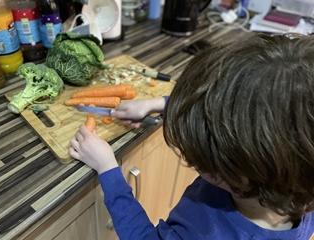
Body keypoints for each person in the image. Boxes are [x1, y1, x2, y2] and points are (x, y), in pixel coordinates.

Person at [69, 34, 314, 239]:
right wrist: (161, 104)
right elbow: (242, 109)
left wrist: (108, 168)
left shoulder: (203, 233)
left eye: (197, 160)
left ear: (231, 172)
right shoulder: (295, 175)